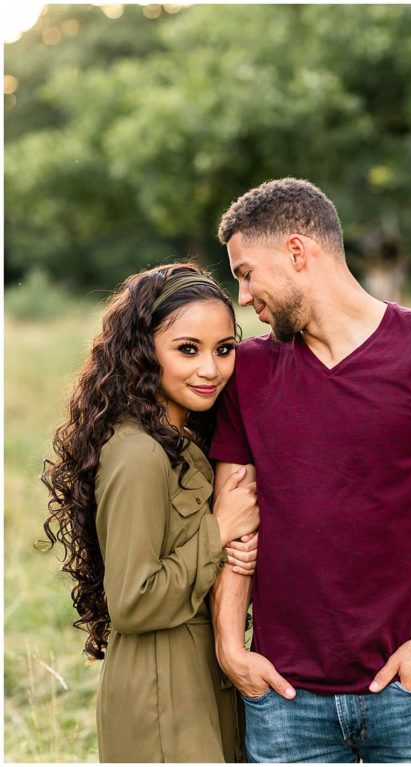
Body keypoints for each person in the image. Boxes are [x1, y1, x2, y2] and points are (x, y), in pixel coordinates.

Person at [207, 177, 411, 762]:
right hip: (284, 702)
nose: (242, 298)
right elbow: (236, 516)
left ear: (297, 253)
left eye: (246, 273)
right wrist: (229, 647)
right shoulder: (246, 370)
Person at [41, 263, 262, 762]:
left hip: (200, 676)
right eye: (188, 349)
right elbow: (133, 602)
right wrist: (221, 529)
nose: (211, 369)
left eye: (224, 349)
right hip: (161, 691)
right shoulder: (138, 453)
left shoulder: (182, 441)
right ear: (143, 353)